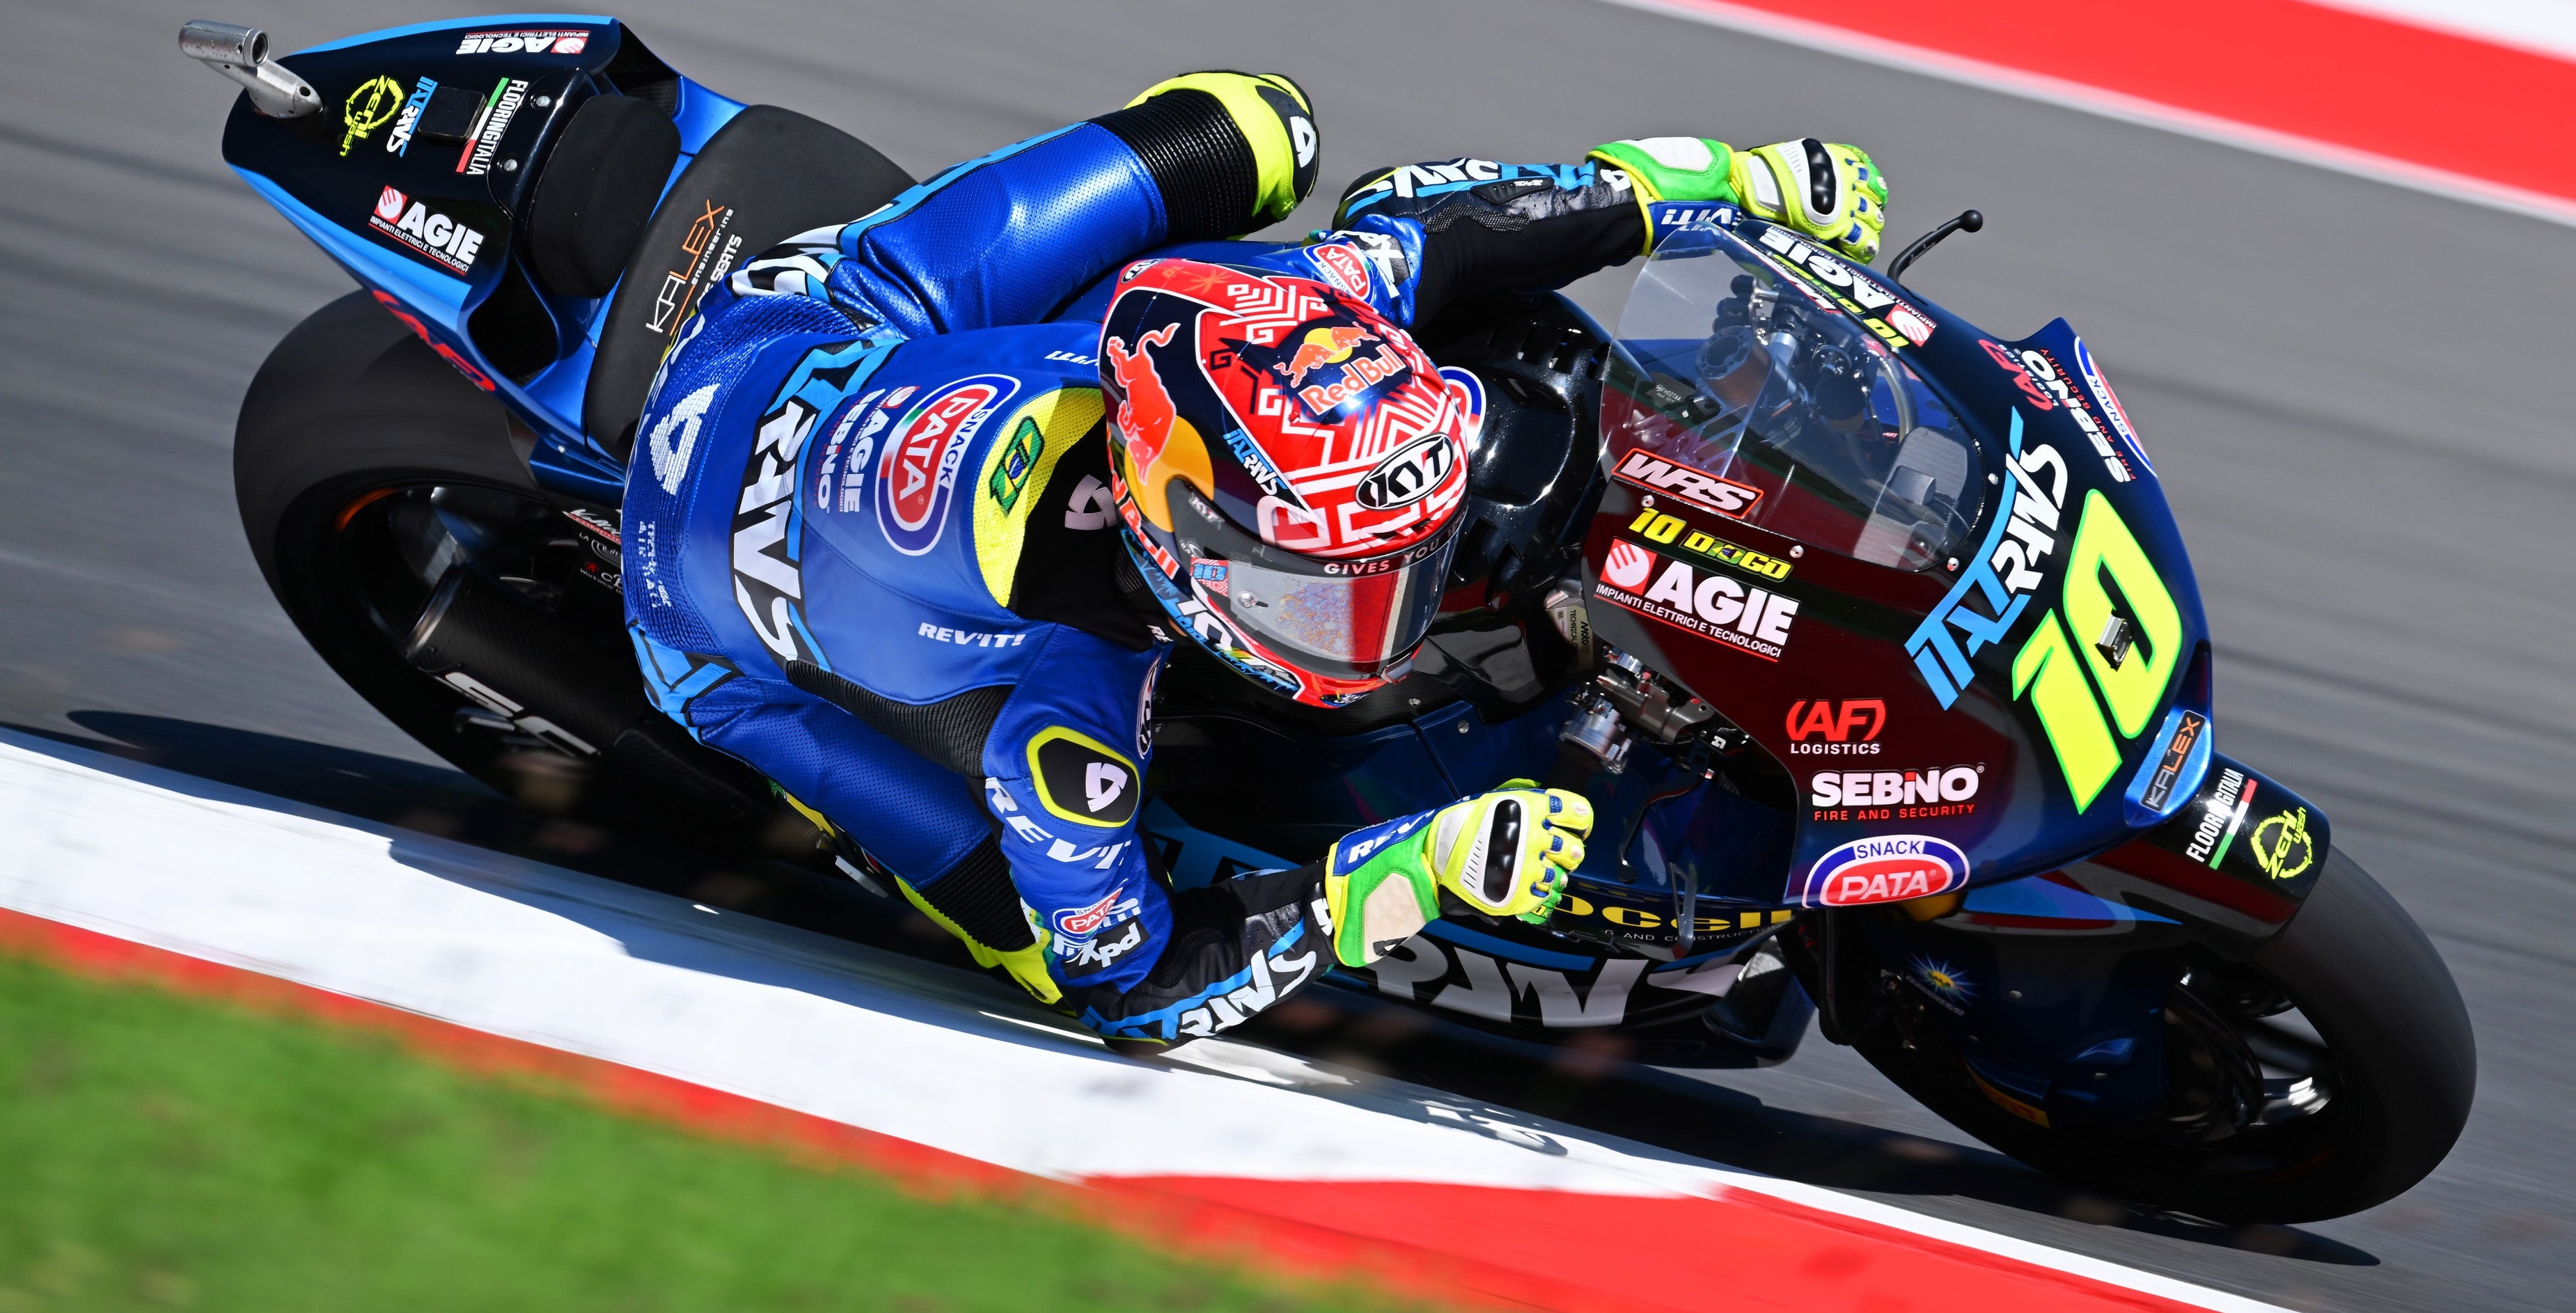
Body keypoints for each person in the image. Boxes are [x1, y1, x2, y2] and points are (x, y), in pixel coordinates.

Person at [620, 72, 1888, 1046]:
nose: (1384, 619)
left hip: (824, 331)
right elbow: (1136, 987)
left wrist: (1738, 183)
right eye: (1335, 591)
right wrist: (1407, 873)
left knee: (1257, 123)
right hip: (700, 610)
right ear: (1189, 549)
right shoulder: (1067, 717)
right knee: (1036, 947)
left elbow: (1447, 221)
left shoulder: (1275, 313)